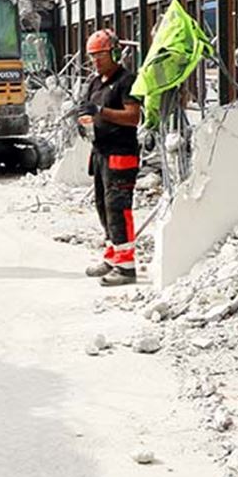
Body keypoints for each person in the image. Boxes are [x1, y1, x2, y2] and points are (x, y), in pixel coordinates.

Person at [79, 29, 142, 286]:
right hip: (101, 152)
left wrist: (101, 111)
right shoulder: (95, 83)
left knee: (118, 207)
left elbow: (133, 116)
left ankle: (126, 267)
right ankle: (112, 257)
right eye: (92, 56)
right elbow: (87, 109)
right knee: (103, 207)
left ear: (114, 53)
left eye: (101, 55)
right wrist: (84, 120)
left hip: (121, 153)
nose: (96, 61)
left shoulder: (127, 80)